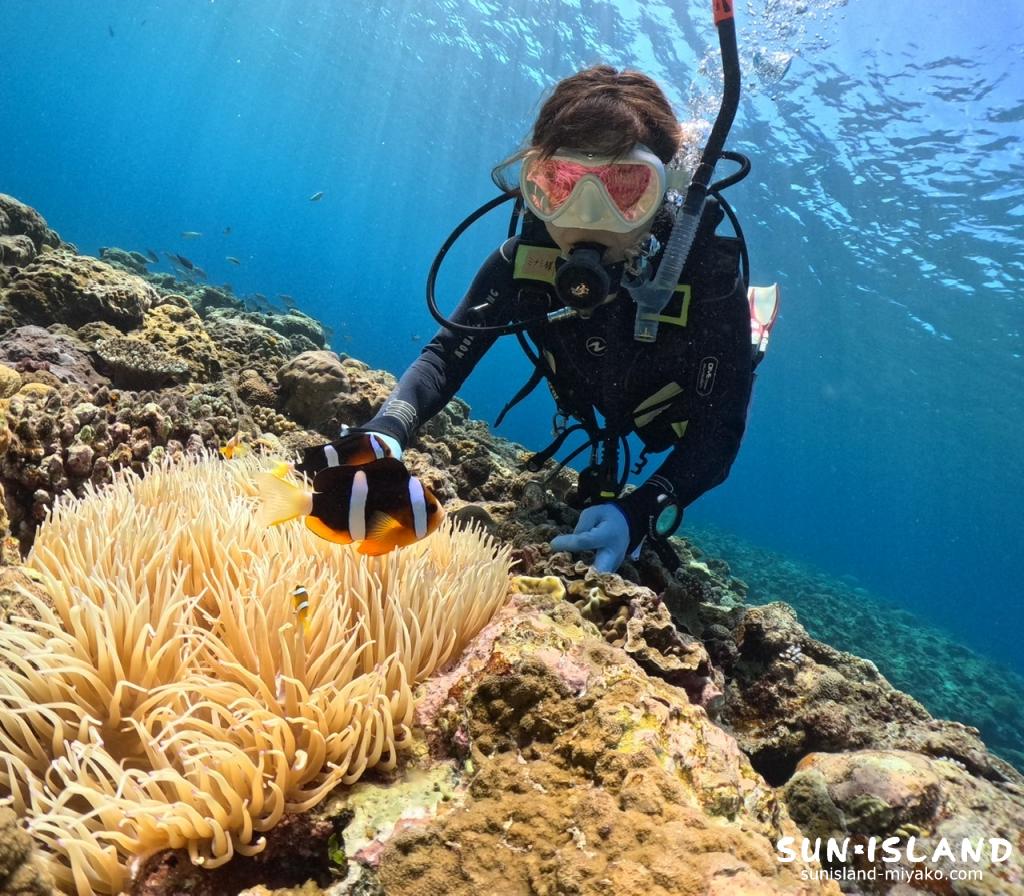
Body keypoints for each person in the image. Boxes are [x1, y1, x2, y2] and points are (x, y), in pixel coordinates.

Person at [305, 65, 775, 574]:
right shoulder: (522, 264)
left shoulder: (706, 281)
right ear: (531, 186)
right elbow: (444, 357)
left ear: (666, 192)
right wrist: (387, 427)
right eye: (561, 184)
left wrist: (644, 509)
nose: (584, 216)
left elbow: (719, 434)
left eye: (623, 189)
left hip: (666, 409)